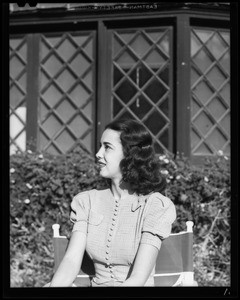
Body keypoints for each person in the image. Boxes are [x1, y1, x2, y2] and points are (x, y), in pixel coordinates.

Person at [46, 118, 176, 287]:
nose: (98, 154)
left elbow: (138, 278)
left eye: (107, 147)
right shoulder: (86, 201)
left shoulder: (155, 206)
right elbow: (71, 262)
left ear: (130, 155)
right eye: (100, 146)